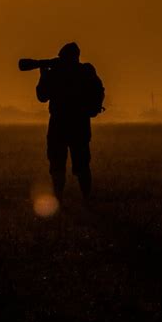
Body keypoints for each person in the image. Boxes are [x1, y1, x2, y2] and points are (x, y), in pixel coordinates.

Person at [35, 42, 103, 203]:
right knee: (81, 164)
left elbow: (42, 96)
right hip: (79, 124)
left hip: (59, 124)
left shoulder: (56, 74)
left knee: (58, 165)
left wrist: (43, 75)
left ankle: (59, 198)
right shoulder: (85, 72)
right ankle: (85, 198)